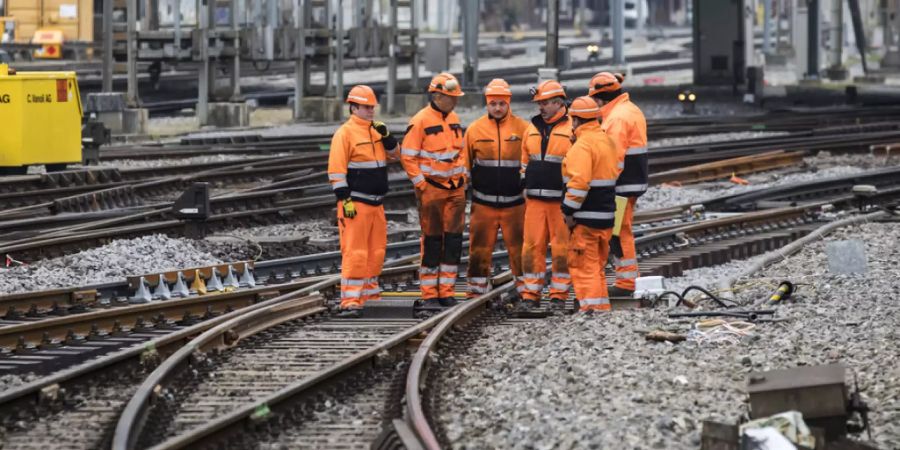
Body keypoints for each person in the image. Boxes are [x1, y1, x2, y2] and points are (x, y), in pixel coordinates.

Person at [328, 85, 399, 317]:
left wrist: (388, 137)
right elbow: (336, 171)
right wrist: (344, 199)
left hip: (376, 203)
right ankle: (350, 302)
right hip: (356, 204)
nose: (371, 111)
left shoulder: (376, 131)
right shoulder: (345, 134)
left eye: (372, 107)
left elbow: (397, 155)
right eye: (366, 107)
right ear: (354, 107)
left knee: (376, 252)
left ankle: (370, 296)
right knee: (355, 253)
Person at [400, 72, 467, 307]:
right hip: (433, 190)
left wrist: (463, 177)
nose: (455, 101)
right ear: (437, 96)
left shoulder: (455, 118)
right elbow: (408, 156)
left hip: (455, 189)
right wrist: (422, 185)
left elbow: (461, 153)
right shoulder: (420, 121)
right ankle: (430, 293)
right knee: (432, 241)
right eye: (451, 97)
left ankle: (446, 291)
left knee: (453, 241)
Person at [462, 78, 529, 298]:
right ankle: (476, 291)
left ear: (508, 103)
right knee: (479, 248)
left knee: (520, 250)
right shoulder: (475, 129)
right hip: (484, 204)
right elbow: (465, 165)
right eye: (493, 104)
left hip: (515, 204)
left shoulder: (523, 128)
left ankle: (525, 290)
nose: (498, 108)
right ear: (487, 104)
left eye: (502, 103)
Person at [588, 72, 648, 297]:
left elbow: (613, 158)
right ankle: (626, 279)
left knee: (619, 231)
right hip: (631, 183)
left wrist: (601, 186)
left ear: (600, 97)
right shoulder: (629, 109)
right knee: (620, 230)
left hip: (621, 185)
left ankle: (626, 282)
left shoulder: (616, 119)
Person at [561, 96, 621, 313]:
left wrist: (568, 210)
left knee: (584, 267)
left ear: (575, 120)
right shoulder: (607, 141)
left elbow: (579, 184)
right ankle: (601, 309)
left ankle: (591, 311)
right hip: (606, 216)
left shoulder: (582, 146)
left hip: (586, 218)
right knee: (597, 268)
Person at [519, 80, 573, 310]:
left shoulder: (572, 128)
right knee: (531, 247)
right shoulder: (532, 128)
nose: (540, 107)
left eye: (544, 103)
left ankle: (558, 296)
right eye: (539, 103)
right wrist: (524, 184)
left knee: (562, 248)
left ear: (558, 102)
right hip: (535, 200)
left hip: (559, 201)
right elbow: (524, 160)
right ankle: (531, 295)